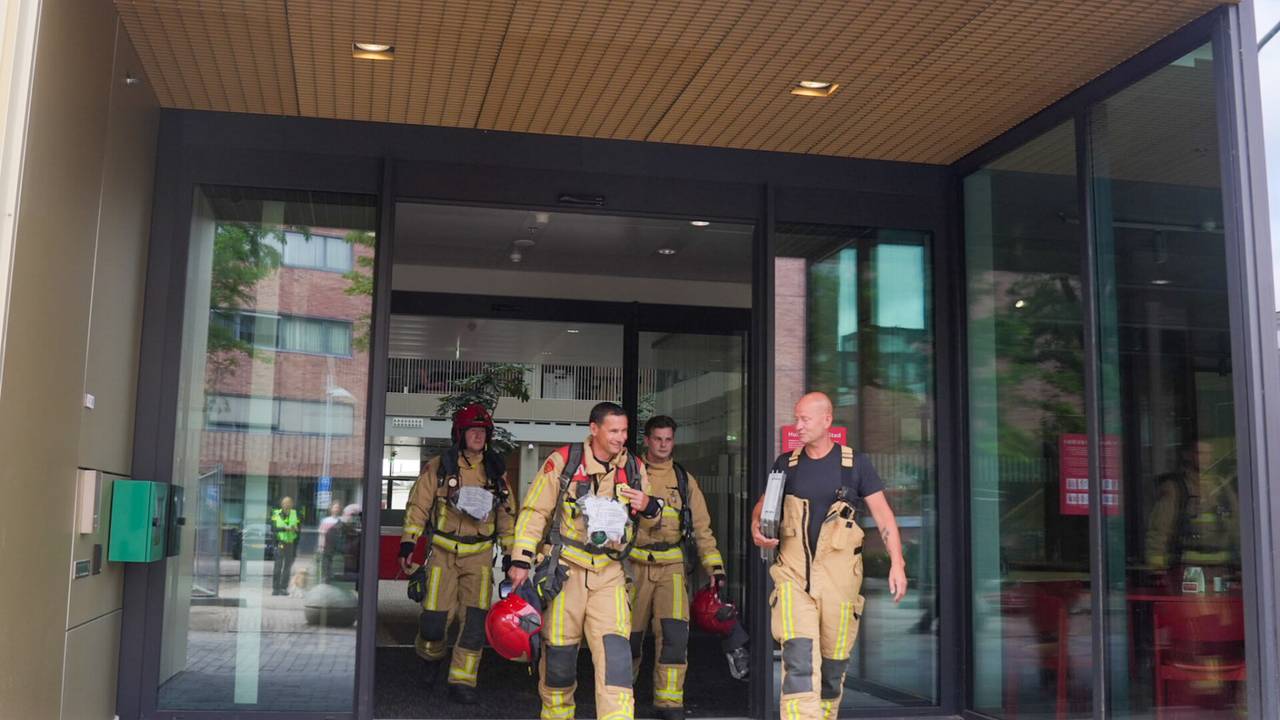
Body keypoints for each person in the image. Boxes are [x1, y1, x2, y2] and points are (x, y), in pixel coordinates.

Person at [751, 392, 908, 720]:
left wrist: (897, 563)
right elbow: (764, 505)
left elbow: (883, 515)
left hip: (839, 585)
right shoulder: (786, 464)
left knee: (833, 667)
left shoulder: (855, 465)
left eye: (805, 419)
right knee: (799, 659)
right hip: (793, 578)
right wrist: (757, 526)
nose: (798, 426)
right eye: (796, 418)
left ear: (827, 420)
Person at [508, 401, 663, 720]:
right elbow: (535, 512)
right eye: (613, 431)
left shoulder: (633, 468)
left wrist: (648, 505)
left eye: (624, 431)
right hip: (566, 574)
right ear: (594, 429)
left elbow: (650, 520)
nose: (621, 437)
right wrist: (522, 559)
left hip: (610, 575)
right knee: (560, 661)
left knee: (617, 662)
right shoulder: (564, 462)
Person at [630, 415, 748, 720]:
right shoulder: (630, 474)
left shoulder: (684, 480)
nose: (663, 445)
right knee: (627, 637)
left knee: (674, 636)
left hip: (672, 566)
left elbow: (702, 528)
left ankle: (669, 702)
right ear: (647, 439)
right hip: (634, 564)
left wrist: (715, 568)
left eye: (668, 439)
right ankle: (619, 699)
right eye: (658, 439)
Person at [398, 404, 517, 704]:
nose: (478, 436)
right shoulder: (440, 467)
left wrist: (512, 554)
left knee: (475, 624)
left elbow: (506, 515)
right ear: (459, 434)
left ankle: (462, 681)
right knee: (434, 622)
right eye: (472, 431)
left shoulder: (496, 471)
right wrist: (408, 542)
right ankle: (430, 659)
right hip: (442, 554)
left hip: (479, 558)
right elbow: (418, 507)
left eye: (483, 431)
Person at [270, 496, 300, 596]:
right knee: (278, 566)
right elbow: (273, 528)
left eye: (289, 503)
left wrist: (296, 529)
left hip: (290, 543)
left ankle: (283, 588)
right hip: (280, 543)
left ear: (292, 504)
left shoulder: (295, 514)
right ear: (282, 504)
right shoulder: (276, 514)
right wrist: (285, 528)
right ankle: (275, 588)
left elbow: (298, 527)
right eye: (285, 503)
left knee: (287, 567)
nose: (287, 505)